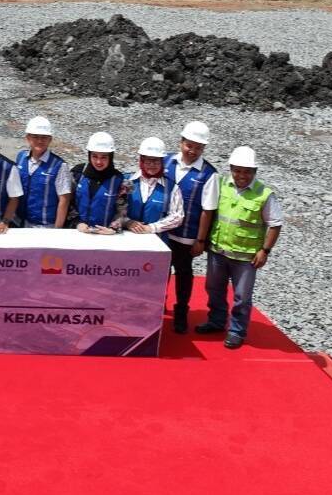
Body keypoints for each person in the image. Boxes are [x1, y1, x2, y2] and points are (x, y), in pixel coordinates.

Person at [198, 146, 282, 349]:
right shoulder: (221, 184)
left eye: (246, 171)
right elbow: (209, 211)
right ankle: (217, 321)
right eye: (237, 170)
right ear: (231, 168)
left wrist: (265, 251)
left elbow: (275, 223)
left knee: (242, 297)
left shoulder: (264, 194)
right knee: (213, 289)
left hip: (246, 257)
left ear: (254, 172)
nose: (241, 175)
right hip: (218, 251)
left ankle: (236, 331)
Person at [164, 121, 219, 334]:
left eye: (198, 147)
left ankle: (181, 312)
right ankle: (158, 305)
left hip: (186, 236)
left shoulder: (209, 174)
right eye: (189, 145)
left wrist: (201, 240)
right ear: (181, 142)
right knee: (160, 272)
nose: (192, 150)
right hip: (163, 232)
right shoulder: (167, 161)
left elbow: (208, 210)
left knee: (184, 274)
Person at [112, 137, 184, 240]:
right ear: (141, 160)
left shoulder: (172, 187)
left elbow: (178, 217)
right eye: (148, 161)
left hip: (158, 243)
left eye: (156, 161)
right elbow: (115, 209)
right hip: (127, 240)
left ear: (162, 162)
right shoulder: (127, 182)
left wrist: (151, 228)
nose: (152, 165)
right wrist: (127, 222)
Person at [13, 116, 72, 228]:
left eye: (44, 137)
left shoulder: (60, 166)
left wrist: (57, 229)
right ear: (28, 138)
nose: (40, 141)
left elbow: (64, 200)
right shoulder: (20, 157)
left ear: (50, 139)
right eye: (35, 137)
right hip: (19, 221)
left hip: (44, 226)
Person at [70, 132, 125, 232]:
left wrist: (113, 228)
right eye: (94, 156)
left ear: (110, 157)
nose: (99, 162)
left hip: (105, 236)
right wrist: (77, 222)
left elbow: (121, 211)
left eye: (104, 157)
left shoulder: (119, 180)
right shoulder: (77, 174)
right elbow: (69, 202)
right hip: (78, 232)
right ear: (89, 155)